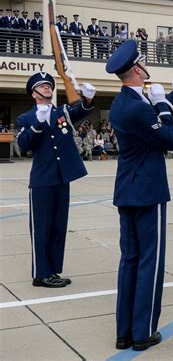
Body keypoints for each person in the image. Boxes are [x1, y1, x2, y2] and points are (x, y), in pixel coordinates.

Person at [106, 40, 173, 351]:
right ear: (138, 70)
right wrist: (163, 106)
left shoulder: (121, 103)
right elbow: (169, 138)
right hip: (148, 191)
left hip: (128, 189)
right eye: (143, 64)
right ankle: (143, 331)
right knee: (149, 262)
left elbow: (149, 121)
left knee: (129, 259)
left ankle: (124, 331)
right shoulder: (139, 108)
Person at [16, 72, 95, 288]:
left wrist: (87, 99)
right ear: (34, 93)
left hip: (62, 177)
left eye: (49, 85)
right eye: (41, 86)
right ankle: (40, 274)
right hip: (42, 180)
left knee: (59, 227)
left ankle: (52, 271)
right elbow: (23, 145)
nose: (47, 88)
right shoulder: (26, 118)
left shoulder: (62, 113)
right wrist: (37, 124)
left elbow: (79, 111)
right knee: (41, 228)